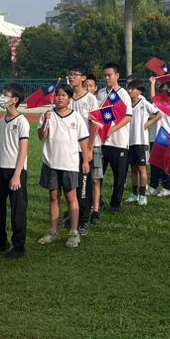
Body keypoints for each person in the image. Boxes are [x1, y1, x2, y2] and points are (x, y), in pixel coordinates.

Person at [37, 83, 87, 249]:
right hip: (51, 162)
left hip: (70, 163)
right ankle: (53, 231)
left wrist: (86, 160)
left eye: (64, 95)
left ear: (69, 98)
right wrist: (46, 122)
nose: (60, 98)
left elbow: (83, 140)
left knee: (71, 197)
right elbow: (41, 136)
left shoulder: (76, 117)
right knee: (53, 197)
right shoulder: (47, 115)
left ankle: (74, 232)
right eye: (58, 95)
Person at [0, 83, 30, 258]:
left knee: (17, 210)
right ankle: (1, 241)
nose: (2, 97)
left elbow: (23, 150)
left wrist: (17, 174)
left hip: (16, 171)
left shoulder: (22, 122)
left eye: (6, 94)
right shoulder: (2, 120)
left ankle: (19, 245)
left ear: (15, 100)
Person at [97, 62, 132, 216]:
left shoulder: (123, 94)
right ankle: (97, 201)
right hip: (102, 142)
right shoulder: (101, 94)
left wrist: (112, 129)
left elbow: (128, 117)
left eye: (109, 75)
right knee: (98, 174)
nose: (106, 78)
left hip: (119, 142)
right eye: (104, 75)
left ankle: (115, 204)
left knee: (119, 175)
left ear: (117, 76)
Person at [67, 66, 99, 233]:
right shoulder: (68, 98)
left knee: (84, 184)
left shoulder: (90, 99)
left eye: (75, 75)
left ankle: (84, 220)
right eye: (70, 74)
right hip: (69, 149)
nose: (71, 77)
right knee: (71, 185)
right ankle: (72, 215)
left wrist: (90, 146)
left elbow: (94, 123)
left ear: (83, 78)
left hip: (83, 148)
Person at [124, 78, 159, 206]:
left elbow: (158, 113)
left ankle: (143, 195)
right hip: (130, 142)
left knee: (142, 169)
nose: (129, 91)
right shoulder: (127, 105)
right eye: (128, 88)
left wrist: (149, 122)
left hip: (141, 141)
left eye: (132, 89)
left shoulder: (144, 103)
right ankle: (134, 193)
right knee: (133, 168)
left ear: (138, 91)